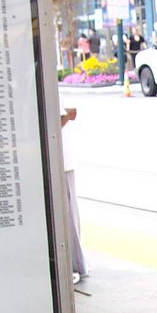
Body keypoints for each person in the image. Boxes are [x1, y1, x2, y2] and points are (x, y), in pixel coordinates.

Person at [60, 107, 88, 285]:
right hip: (59, 159)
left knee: (68, 216)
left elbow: (68, 114)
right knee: (68, 216)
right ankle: (74, 265)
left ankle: (75, 265)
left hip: (61, 159)